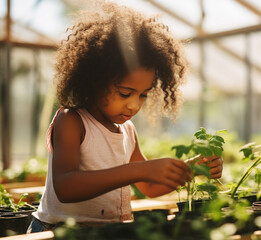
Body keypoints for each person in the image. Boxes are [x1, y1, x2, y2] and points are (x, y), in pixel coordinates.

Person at [27, 1, 223, 232]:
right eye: (125, 93)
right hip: (56, 231)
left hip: (105, 232)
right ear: (94, 80)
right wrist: (138, 170)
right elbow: (66, 186)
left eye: (143, 95)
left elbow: (148, 186)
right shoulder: (72, 121)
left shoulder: (128, 131)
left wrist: (190, 169)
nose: (133, 105)